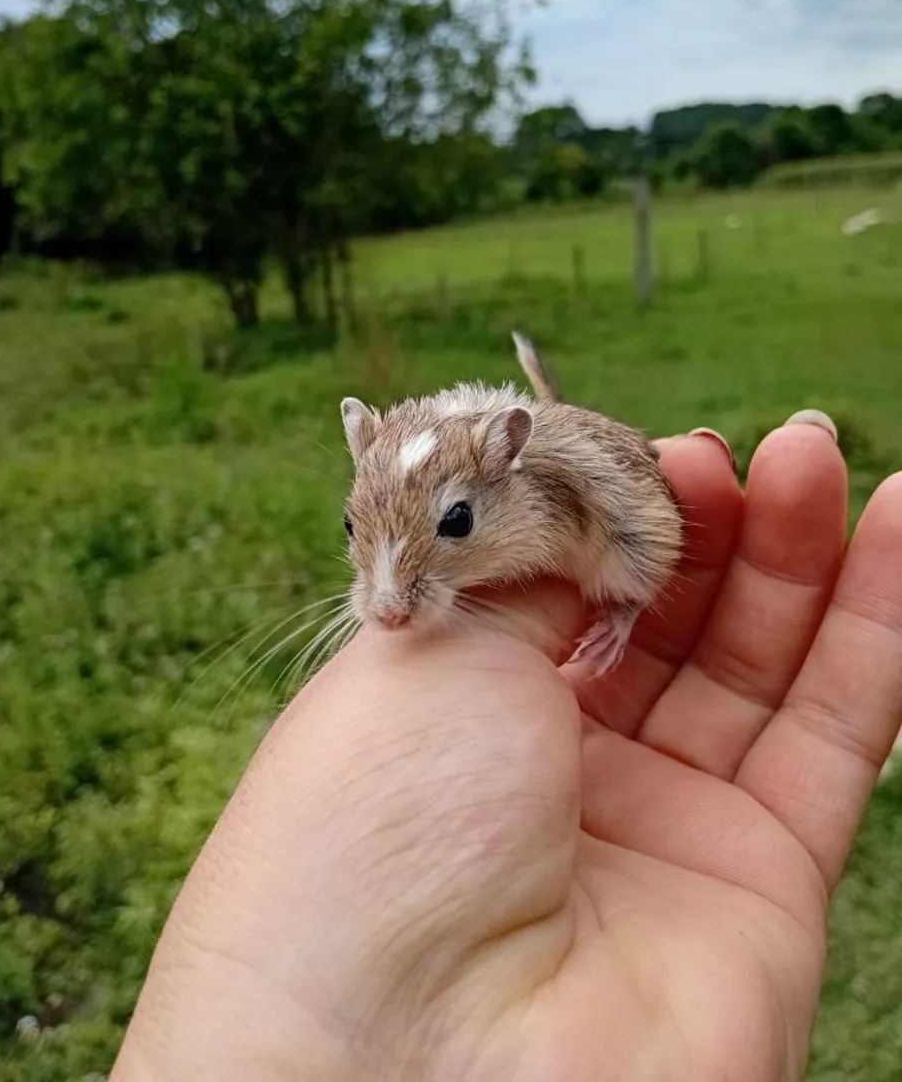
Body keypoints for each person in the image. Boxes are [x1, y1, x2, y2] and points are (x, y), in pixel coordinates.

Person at [113, 416, 902, 1082]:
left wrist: (623, 613)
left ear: (507, 469)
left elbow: (611, 537)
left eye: (453, 526)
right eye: (359, 532)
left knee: (638, 545)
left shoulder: (536, 495)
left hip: (599, 540)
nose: (386, 600)